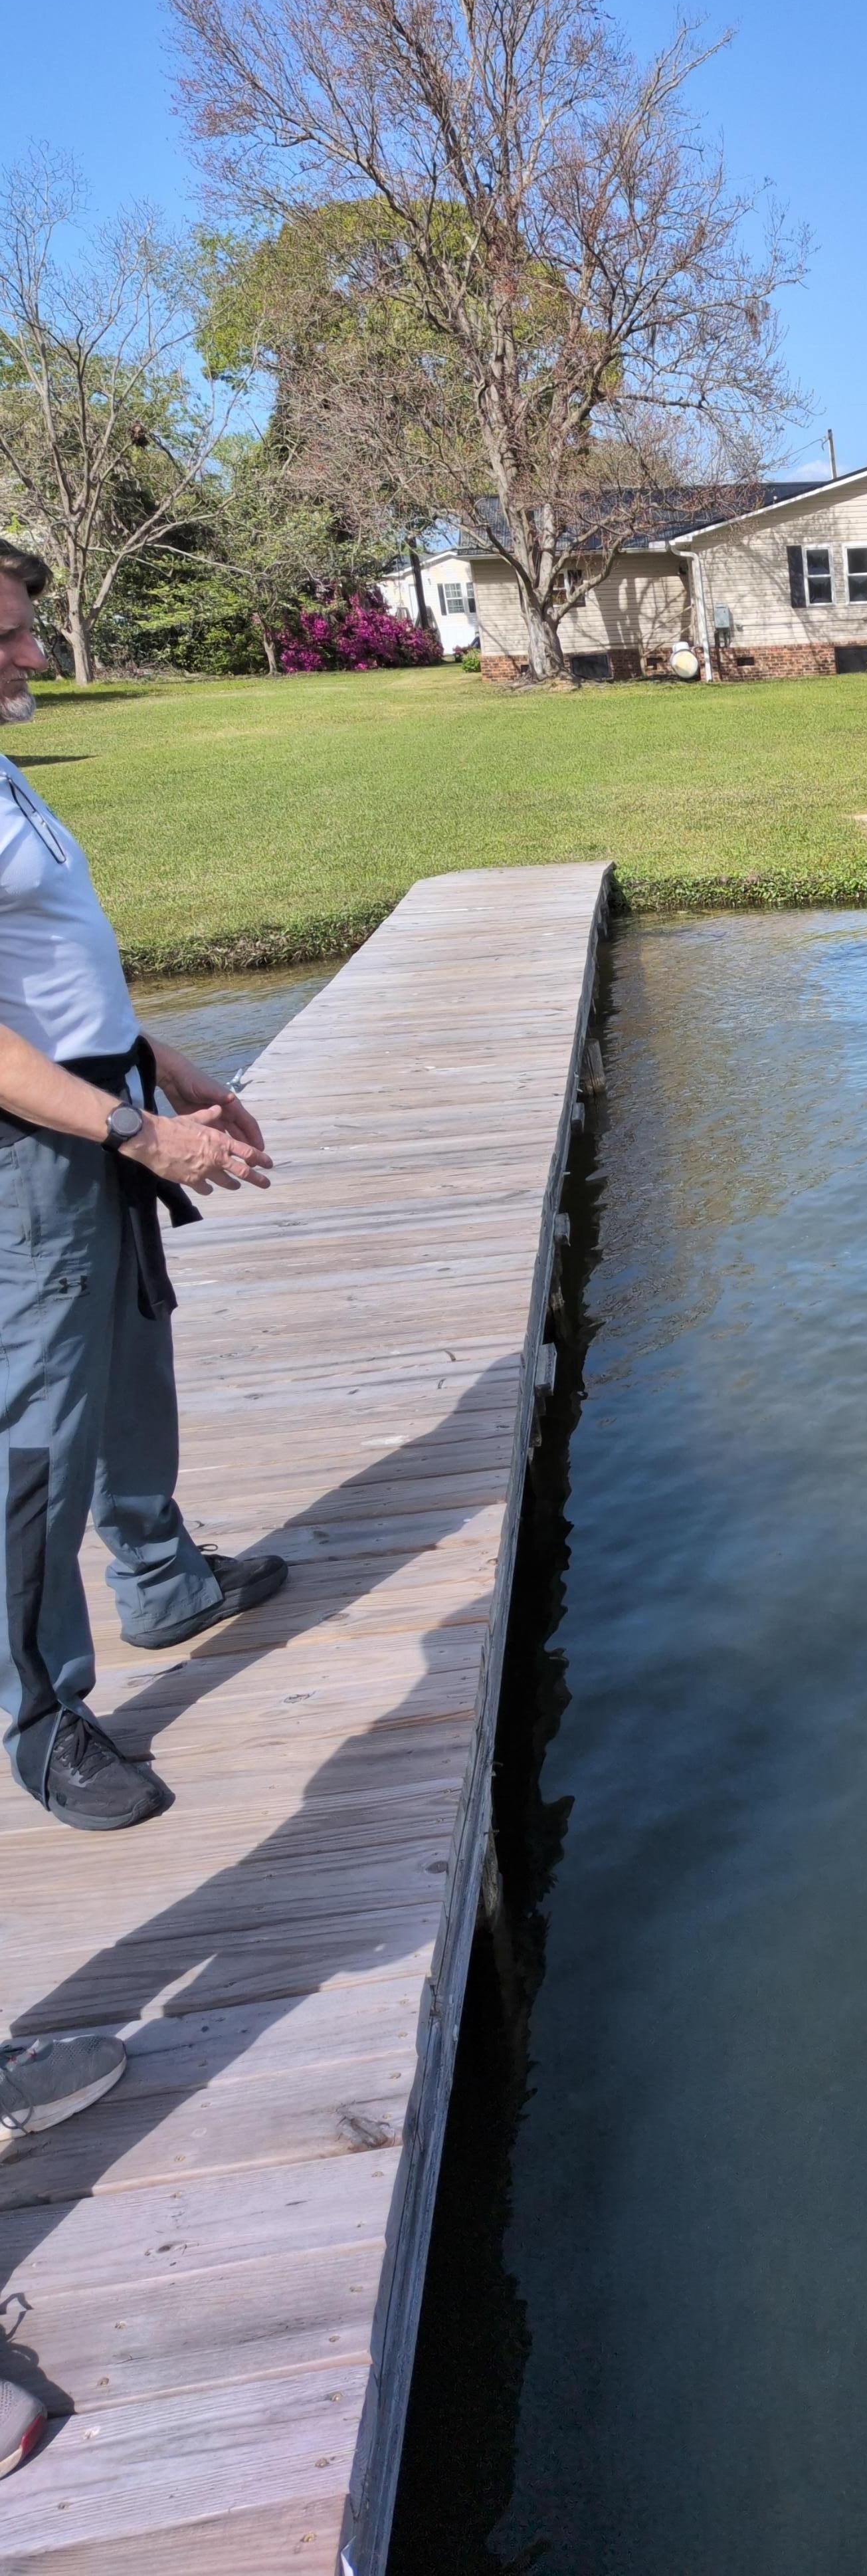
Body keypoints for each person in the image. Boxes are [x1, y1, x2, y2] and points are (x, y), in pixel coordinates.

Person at [0, 539, 290, 2474]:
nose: (34, 646)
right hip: (31, 1155)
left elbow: (58, 971)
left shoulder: (9, 772)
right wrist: (127, 1127)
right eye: (10, 629)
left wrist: (176, 1068)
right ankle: (43, 1717)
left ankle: (166, 1581)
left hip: (99, 1109)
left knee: (130, 1373)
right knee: (32, 1435)